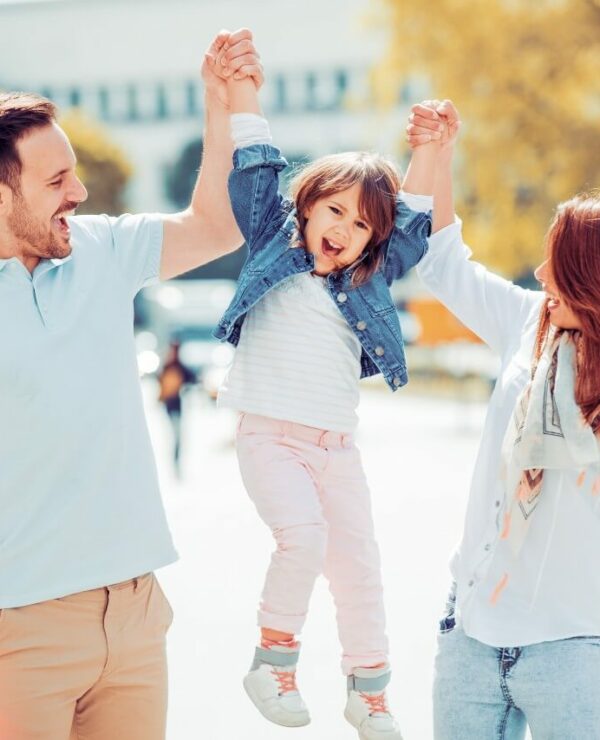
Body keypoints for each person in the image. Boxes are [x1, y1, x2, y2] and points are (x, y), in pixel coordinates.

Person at [0, 29, 262, 740]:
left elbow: (214, 226)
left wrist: (218, 104)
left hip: (135, 615)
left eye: (76, 173)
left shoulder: (103, 250)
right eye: (55, 183)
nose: (79, 194)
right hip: (18, 632)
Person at [205, 47, 448, 740]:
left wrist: (428, 149)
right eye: (333, 210)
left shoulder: (370, 277)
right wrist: (245, 87)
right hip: (269, 438)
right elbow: (255, 164)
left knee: (359, 567)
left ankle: (367, 690)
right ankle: (272, 663)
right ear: (307, 206)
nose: (343, 229)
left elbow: (416, 221)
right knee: (303, 540)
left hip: (337, 449)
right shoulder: (272, 239)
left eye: (362, 223)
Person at [407, 101, 600, 738]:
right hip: (472, 636)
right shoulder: (528, 324)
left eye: (558, 266)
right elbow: (442, 262)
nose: (542, 275)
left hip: (575, 649)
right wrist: (442, 154)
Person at [158, 339, 197, 476]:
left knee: (178, 437)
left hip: (177, 407)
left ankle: (176, 464)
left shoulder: (179, 367)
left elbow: (193, 379)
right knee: (175, 437)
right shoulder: (167, 367)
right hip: (169, 407)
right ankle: (174, 464)